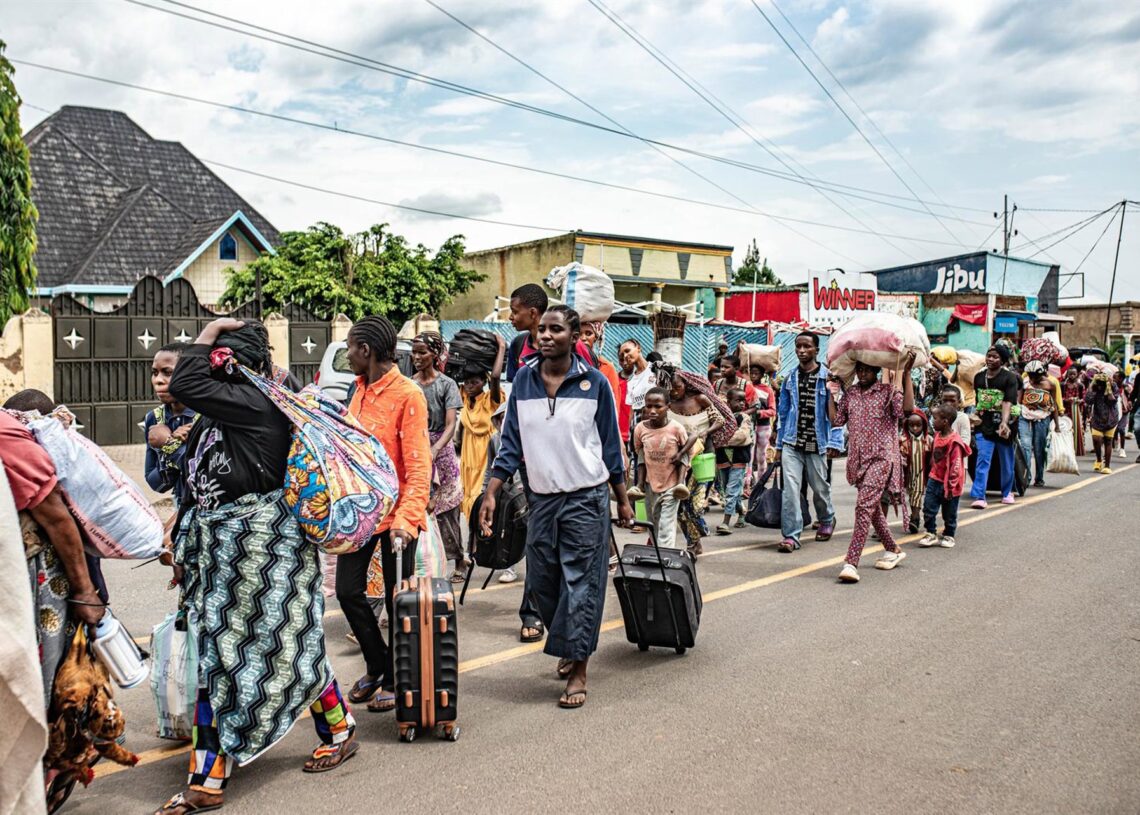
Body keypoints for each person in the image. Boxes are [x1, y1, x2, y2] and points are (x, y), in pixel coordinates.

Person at [160, 319, 358, 815]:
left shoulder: (253, 402)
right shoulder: (222, 413)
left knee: (233, 658)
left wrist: (209, 330)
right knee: (281, 649)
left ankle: (207, 778)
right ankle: (339, 727)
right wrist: (183, 540)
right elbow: (199, 480)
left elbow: (185, 382)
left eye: (214, 361)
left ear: (229, 366)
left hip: (264, 552)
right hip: (223, 555)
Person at [480, 305, 633, 710]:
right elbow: (510, 443)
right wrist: (492, 492)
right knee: (543, 578)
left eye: (556, 330)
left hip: (586, 498)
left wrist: (621, 498)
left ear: (574, 336)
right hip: (542, 498)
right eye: (542, 330)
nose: (545, 336)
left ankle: (578, 666)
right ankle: (568, 640)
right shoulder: (524, 381)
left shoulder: (594, 383)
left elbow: (610, 445)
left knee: (582, 581)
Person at [339, 315, 432, 715]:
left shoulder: (409, 394)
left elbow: (418, 465)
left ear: (366, 350)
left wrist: (407, 520)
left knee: (398, 604)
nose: (347, 355)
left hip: (397, 519)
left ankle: (396, 679)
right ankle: (378, 664)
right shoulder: (358, 390)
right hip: (360, 514)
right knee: (348, 592)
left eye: (349, 347)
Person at [827, 354, 916, 583]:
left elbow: (906, 411)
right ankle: (892, 548)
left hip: (881, 458)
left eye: (867, 369)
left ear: (876, 370)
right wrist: (830, 393)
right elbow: (836, 420)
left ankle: (851, 562)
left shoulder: (888, 392)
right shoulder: (851, 394)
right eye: (860, 369)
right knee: (872, 507)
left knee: (863, 507)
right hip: (858, 460)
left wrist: (906, 373)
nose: (863, 373)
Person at [774, 332, 842, 552]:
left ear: (816, 350)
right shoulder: (790, 378)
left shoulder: (829, 379)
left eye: (807, 346)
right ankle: (791, 536)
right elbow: (783, 413)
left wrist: (835, 442)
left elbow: (837, 415)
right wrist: (779, 445)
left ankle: (827, 518)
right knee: (790, 490)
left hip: (817, 443)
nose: (802, 351)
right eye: (798, 346)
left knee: (820, 488)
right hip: (792, 442)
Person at [657, 359, 731, 557]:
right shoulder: (667, 405)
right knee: (680, 505)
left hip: (702, 459)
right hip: (678, 461)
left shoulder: (700, 399)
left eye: (678, 387)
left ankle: (700, 531)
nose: (674, 392)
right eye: (671, 389)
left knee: (695, 506)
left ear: (686, 385)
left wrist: (704, 432)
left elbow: (720, 420)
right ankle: (693, 543)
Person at [410, 331, 465, 582]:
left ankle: (459, 558)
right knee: (423, 506)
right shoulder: (410, 384)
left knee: (448, 510)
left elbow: (451, 424)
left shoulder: (447, 385)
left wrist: (435, 448)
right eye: (414, 352)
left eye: (422, 352)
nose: (416, 357)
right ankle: (430, 561)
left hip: (442, 452)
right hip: (418, 448)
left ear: (434, 354)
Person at [633, 387, 695, 547]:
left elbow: (688, 451)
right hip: (650, 484)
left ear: (668, 406)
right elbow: (640, 453)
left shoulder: (676, 428)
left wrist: (680, 456)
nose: (652, 411)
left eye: (658, 406)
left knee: (666, 525)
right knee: (653, 522)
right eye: (649, 406)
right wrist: (641, 483)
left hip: (672, 485)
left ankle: (665, 556)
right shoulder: (640, 429)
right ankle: (656, 554)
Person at [458, 337, 507, 521]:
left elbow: (495, 377)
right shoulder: (464, 397)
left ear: (483, 382)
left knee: (481, 499)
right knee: (468, 499)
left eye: (474, 382)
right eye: (467, 382)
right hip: (468, 457)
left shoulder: (490, 400)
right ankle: (474, 537)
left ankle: (482, 535)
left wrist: (501, 347)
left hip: (484, 456)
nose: (470, 386)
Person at [143, 342, 197, 503]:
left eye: (167, 372)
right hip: (181, 504)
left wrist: (169, 445)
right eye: (154, 373)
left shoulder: (209, 416)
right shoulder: (155, 418)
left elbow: (210, 474)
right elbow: (156, 484)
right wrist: (172, 445)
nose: (158, 380)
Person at [970, 345, 1020, 509]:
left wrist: (1004, 422)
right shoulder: (979, 377)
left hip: (1005, 423)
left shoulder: (1010, 378)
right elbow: (979, 401)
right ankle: (979, 496)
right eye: (989, 355)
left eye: (995, 357)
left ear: (1003, 360)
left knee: (1006, 460)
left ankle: (1007, 492)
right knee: (983, 459)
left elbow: (1008, 401)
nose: (990, 359)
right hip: (984, 423)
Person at [918, 403, 971, 549]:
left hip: (949, 483)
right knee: (928, 508)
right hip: (934, 478)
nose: (932, 421)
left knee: (949, 512)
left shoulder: (954, 442)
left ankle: (949, 534)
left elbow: (956, 466)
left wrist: (951, 486)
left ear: (945, 421)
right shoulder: (937, 436)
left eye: (935, 418)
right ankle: (930, 532)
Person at [714, 388, 754, 534]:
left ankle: (725, 522)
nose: (741, 403)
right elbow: (715, 433)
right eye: (738, 400)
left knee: (731, 490)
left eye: (743, 400)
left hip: (739, 459)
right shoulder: (720, 417)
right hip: (723, 459)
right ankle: (742, 511)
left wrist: (722, 440)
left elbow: (742, 436)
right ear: (729, 402)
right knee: (729, 490)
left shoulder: (744, 418)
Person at [1019, 361, 1062, 488]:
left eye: (1035, 376)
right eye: (1030, 375)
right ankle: (1026, 477)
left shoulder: (1050, 385)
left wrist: (1057, 425)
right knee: (1025, 446)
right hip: (1025, 416)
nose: (1032, 378)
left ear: (1042, 373)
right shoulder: (1024, 383)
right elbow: (1019, 401)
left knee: (1039, 448)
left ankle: (1039, 477)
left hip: (1043, 418)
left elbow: (1053, 405)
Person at [901, 411, 932, 534]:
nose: (915, 428)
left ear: (924, 425)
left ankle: (915, 517)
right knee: (911, 494)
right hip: (908, 473)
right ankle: (914, 516)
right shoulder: (903, 440)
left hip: (921, 472)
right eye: (912, 425)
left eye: (918, 425)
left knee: (917, 493)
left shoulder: (928, 440)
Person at [1085, 373, 1120, 474]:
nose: (1100, 385)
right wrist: (1092, 385)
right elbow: (1088, 400)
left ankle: (1107, 466)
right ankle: (1099, 460)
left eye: (1102, 383)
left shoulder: (1113, 386)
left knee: (1108, 441)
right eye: (1099, 382)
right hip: (1097, 418)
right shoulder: (1094, 386)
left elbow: (1112, 401)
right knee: (1096, 439)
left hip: (1111, 418)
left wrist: (1108, 387)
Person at [747, 363, 777, 473]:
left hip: (763, 427)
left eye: (756, 373)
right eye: (752, 373)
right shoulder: (746, 387)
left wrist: (760, 413)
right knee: (748, 456)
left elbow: (773, 410)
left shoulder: (768, 390)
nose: (753, 376)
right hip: (748, 425)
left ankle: (761, 480)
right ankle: (748, 480)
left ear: (762, 375)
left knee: (761, 456)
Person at [580, 321, 620, 400]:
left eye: (588, 333)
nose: (583, 338)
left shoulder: (607, 368)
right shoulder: (566, 365)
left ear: (596, 337)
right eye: (579, 334)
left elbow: (614, 402)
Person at [1061, 367, 1086, 457]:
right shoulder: (1063, 385)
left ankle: (1076, 448)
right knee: (1066, 429)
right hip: (1065, 410)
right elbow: (1060, 398)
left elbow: (1084, 398)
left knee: (1077, 428)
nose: (1072, 376)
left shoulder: (1080, 386)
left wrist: (1079, 401)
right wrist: (1066, 400)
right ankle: (1066, 448)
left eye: (1074, 374)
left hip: (1076, 411)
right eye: (1070, 374)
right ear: (1067, 375)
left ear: (1077, 375)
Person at [1113, 371, 1132, 459]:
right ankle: (1115, 441)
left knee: (1121, 429)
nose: (1113, 379)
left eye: (1115, 377)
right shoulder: (1112, 387)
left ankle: (1122, 449)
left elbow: (1131, 396)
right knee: (1114, 429)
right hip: (1114, 411)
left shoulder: (1126, 387)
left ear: (1121, 379)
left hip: (1124, 411)